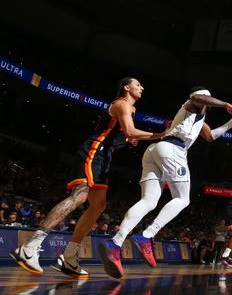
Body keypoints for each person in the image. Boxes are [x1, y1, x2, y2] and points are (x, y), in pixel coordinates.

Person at [10, 78, 163, 279]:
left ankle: (70, 257)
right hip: (94, 151)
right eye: (138, 84)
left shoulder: (131, 111)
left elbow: (126, 134)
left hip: (105, 157)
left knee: (98, 205)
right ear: (127, 87)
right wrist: (162, 134)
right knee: (80, 197)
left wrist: (128, 139)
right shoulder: (121, 104)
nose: (142, 87)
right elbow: (130, 130)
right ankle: (30, 247)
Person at [99, 87, 232, 279]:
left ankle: (115, 243)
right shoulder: (194, 105)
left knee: (149, 201)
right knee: (183, 199)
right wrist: (226, 104)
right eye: (207, 98)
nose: (207, 101)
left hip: (156, 150)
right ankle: (147, 235)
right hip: (173, 150)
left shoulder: (199, 119)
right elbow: (196, 97)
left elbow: (210, 137)